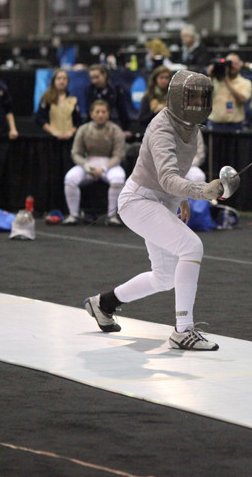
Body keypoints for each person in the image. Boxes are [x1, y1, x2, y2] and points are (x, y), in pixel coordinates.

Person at [83, 70, 227, 351]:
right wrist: (198, 191)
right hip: (138, 201)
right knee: (191, 247)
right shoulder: (161, 128)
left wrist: (182, 197)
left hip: (159, 201)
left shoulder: (191, 126)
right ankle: (183, 330)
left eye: (202, 97)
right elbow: (166, 178)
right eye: (192, 96)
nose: (197, 102)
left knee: (163, 277)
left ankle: (103, 304)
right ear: (177, 98)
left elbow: (177, 173)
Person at [62, 100, 127, 226]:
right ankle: (73, 215)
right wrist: (86, 166)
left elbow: (119, 155)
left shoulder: (115, 130)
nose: (101, 115)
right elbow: (76, 153)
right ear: (91, 114)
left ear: (108, 114)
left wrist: (103, 168)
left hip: (109, 165)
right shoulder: (83, 129)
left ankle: (112, 216)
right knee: (70, 178)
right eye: (97, 112)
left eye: (104, 112)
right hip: (88, 164)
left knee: (118, 178)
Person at [208, 54, 252, 132]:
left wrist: (226, 80)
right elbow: (203, 95)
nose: (232, 66)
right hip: (214, 124)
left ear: (240, 65)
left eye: (235, 64)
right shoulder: (214, 80)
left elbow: (241, 100)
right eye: (229, 64)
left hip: (235, 125)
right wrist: (211, 75)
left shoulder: (245, 82)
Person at [85, 64, 133, 133]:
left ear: (104, 75)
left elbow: (122, 111)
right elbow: (88, 112)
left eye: (97, 77)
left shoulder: (115, 90)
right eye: (92, 78)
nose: (94, 81)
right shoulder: (89, 90)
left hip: (112, 126)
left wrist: (125, 129)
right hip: (93, 128)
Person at [36, 68, 81, 139]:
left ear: (68, 82)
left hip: (69, 136)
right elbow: (39, 118)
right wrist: (52, 131)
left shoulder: (73, 99)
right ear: (53, 81)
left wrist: (71, 132)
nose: (62, 81)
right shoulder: (47, 97)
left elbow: (78, 120)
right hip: (51, 136)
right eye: (59, 78)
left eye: (64, 78)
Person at [138, 66, 173, 133]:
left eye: (166, 78)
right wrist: (155, 112)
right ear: (155, 79)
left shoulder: (173, 97)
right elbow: (141, 120)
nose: (164, 81)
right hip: (151, 132)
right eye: (161, 77)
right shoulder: (148, 97)